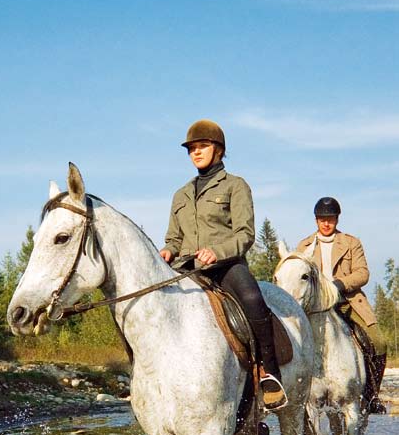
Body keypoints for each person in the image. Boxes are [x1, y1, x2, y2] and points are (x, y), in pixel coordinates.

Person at [160, 119, 287, 410]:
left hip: (226, 266)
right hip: (188, 268)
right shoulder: (180, 195)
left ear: (219, 150)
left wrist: (217, 252)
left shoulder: (235, 186)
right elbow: (174, 238)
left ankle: (271, 373)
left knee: (254, 299)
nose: (196, 152)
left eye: (202, 146)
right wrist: (168, 250)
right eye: (191, 149)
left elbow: (245, 234)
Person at [296, 197, 387, 414]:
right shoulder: (304, 246)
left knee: (379, 342)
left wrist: (339, 284)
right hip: (315, 305)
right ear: (316, 220)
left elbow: (363, 273)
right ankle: (290, 393)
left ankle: (372, 395)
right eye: (322, 219)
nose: (326, 224)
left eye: (330, 219)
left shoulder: (351, 242)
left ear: (337, 219)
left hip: (347, 301)